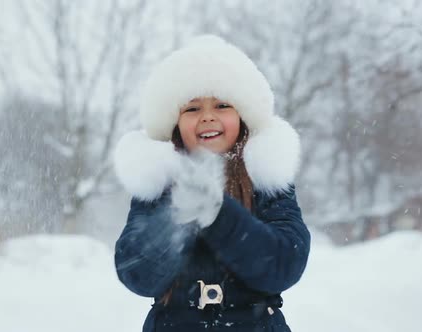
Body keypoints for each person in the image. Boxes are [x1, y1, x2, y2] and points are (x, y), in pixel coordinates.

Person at [113, 35, 310, 332]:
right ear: (175, 122)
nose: (207, 117)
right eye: (192, 108)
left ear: (242, 115)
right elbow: (137, 274)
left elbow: (284, 265)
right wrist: (176, 222)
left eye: (221, 105)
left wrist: (220, 216)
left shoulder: (265, 178)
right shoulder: (159, 182)